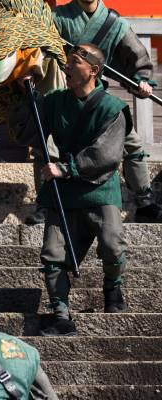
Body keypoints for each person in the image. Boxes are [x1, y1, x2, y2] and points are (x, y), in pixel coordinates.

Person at [10, 42, 129, 334]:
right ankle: (60, 311)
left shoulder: (113, 108)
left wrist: (66, 168)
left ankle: (113, 287)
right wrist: (27, 98)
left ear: (94, 70)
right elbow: (26, 134)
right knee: (53, 252)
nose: (67, 67)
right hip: (62, 190)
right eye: (67, 62)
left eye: (75, 62)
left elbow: (108, 155)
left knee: (113, 245)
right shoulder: (54, 101)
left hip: (99, 188)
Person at [52, 0, 161, 222]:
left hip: (97, 97)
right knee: (48, 145)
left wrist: (142, 80)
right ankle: (47, 205)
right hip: (62, 95)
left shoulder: (115, 25)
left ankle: (145, 201)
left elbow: (137, 58)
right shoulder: (56, 18)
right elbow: (39, 54)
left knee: (132, 143)